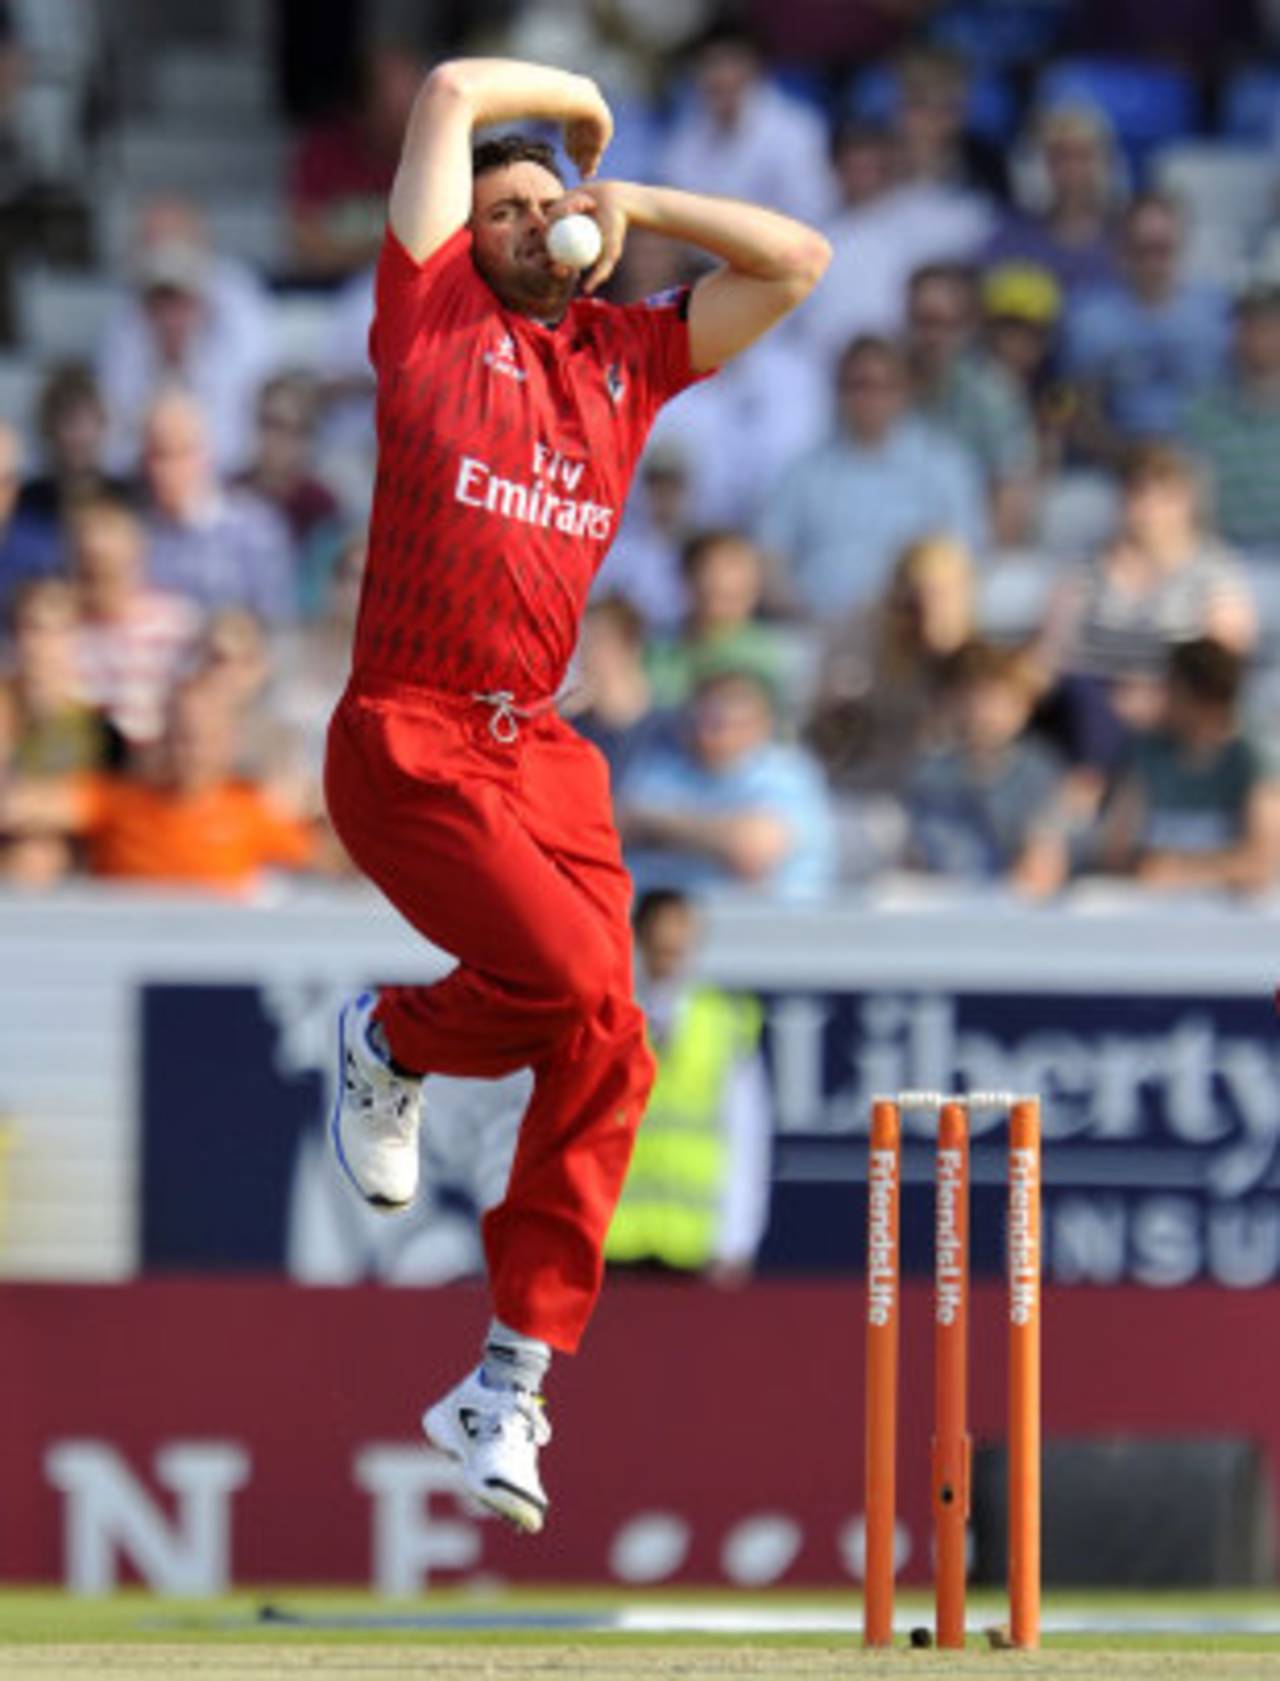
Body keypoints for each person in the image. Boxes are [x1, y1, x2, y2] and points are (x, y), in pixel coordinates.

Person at [322, 57, 829, 1535]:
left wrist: (642, 199)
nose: (538, 224)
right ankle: (393, 1035)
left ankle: (510, 1378)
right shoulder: (429, 318)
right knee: (557, 977)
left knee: (611, 1026)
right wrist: (576, 111)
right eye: (511, 208)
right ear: (465, 237)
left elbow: (797, 261)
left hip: (541, 752)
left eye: (557, 206)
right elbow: (452, 87)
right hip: (409, 738)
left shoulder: (626, 354)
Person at [605, 888, 772, 1282]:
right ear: (639, 939)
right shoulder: (606, 1017)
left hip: (692, 1244)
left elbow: (746, 1136)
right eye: (661, 944)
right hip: (612, 1237)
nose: (670, 954)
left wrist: (736, 1240)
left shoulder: (723, 1020)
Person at [758, 335, 986, 617]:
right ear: (838, 392)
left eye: (882, 386)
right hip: (817, 632)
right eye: (858, 385)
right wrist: (800, 615)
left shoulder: (944, 465)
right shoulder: (802, 473)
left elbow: (965, 556)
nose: (870, 398)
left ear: (904, 391)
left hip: (910, 633)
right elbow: (769, 558)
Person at [617, 666, 837, 897]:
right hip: (650, 915)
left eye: (721, 723)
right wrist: (713, 835)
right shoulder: (665, 766)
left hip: (761, 924)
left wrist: (657, 827)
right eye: (699, 719)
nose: (707, 733)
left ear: (762, 724)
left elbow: (753, 850)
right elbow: (615, 826)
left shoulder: (786, 772)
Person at [1096, 638, 1280, 896]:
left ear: (1198, 697)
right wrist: (1147, 868)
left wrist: (1186, 872)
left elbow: (1261, 862)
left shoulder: (1253, 759)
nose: (1164, 697)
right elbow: (1115, 851)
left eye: (1171, 688)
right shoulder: (1147, 753)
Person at [1064, 192, 1230, 464]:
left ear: (1181, 245)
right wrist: (1128, 458)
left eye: (1162, 249)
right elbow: (1080, 415)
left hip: (1207, 456)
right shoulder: (1090, 320)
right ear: (1122, 249)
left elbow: (1239, 396)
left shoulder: (1217, 312)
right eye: (1142, 249)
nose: (1152, 262)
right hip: (1118, 461)